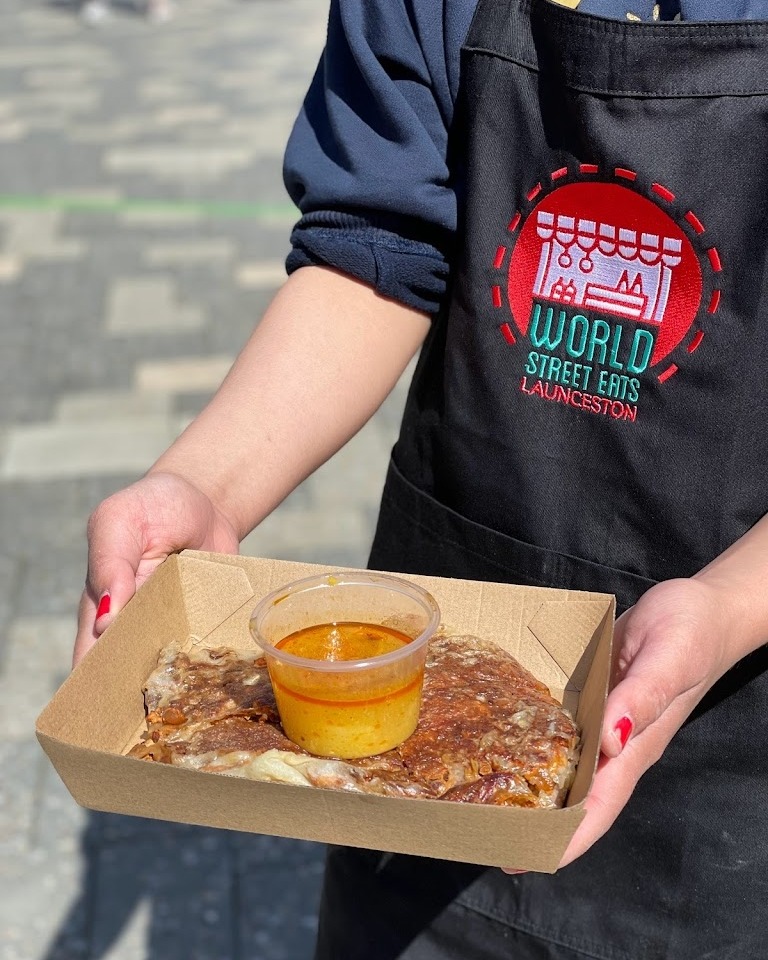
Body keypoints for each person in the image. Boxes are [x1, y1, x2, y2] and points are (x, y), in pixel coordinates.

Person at [74, 1, 768, 957]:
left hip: (735, 764)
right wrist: (206, 482)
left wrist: (729, 606)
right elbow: (378, 241)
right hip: (421, 712)